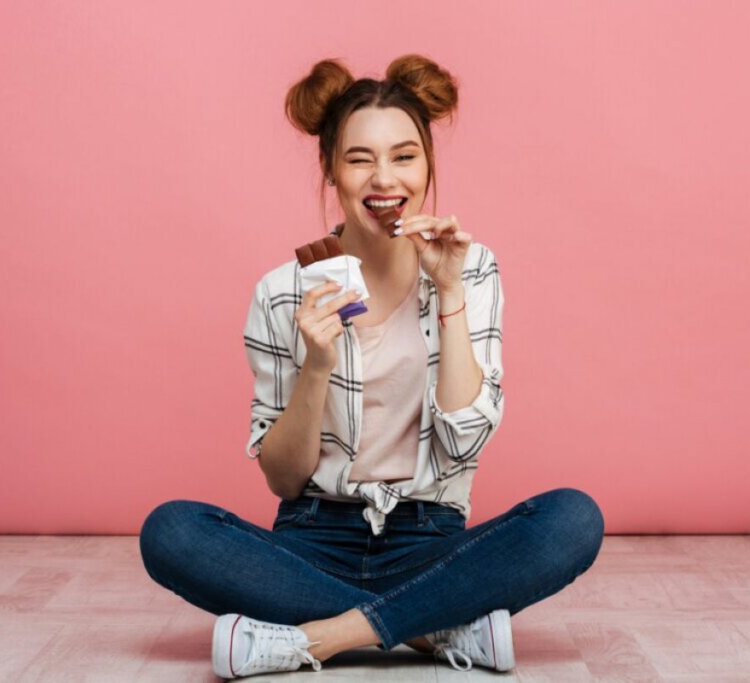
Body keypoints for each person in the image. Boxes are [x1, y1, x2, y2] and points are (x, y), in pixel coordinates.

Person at [139, 54, 605, 679]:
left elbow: (465, 438)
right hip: (310, 540)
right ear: (331, 171)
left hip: (431, 538)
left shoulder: (472, 267)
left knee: (573, 518)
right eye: (360, 159)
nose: (384, 178)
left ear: (427, 166)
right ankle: (430, 628)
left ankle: (322, 638)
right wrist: (317, 364)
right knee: (170, 531)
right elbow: (283, 480)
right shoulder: (283, 292)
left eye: (404, 156)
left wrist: (449, 294)